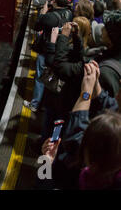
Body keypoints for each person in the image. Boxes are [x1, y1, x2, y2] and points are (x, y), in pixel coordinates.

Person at [42, 61, 120, 190]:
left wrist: (46, 162)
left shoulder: (77, 178)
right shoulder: (108, 172)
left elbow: (75, 138)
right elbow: (112, 107)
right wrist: (96, 88)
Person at [24, 0, 73, 112]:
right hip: (61, 50)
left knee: (41, 76)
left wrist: (43, 12)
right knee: (54, 77)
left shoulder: (50, 17)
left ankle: (35, 104)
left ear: (54, 1)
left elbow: (36, 27)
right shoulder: (69, 13)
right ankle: (46, 104)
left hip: (47, 50)